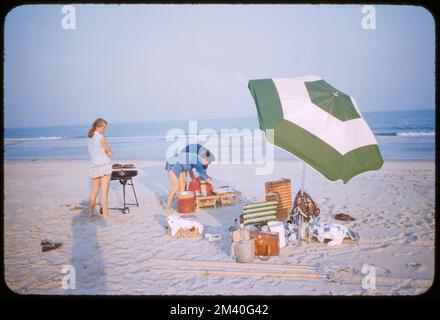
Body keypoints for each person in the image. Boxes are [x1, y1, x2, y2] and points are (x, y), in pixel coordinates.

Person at [164, 144, 215, 211]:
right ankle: (167, 207)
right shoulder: (196, 160)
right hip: (172, 166)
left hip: (179, 167)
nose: (208, 163)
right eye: (208, 161)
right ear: (203, 158)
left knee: (183, 186)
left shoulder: (195, 158)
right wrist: (212, 184)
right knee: (175, 188)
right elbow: (202, 174)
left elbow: (189, 169)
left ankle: (181, 204)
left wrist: (187, 176)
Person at [87, 118, 113, 219]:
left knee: (94, 192)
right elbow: (110, 153)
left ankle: (90, 214)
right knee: (104, 192)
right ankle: (106, 216)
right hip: (104, 166)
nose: (104, 130)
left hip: (94, 166)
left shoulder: (89, 137)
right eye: (104, 127)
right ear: (99, 126)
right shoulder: (100, 138)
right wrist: (108, 152)